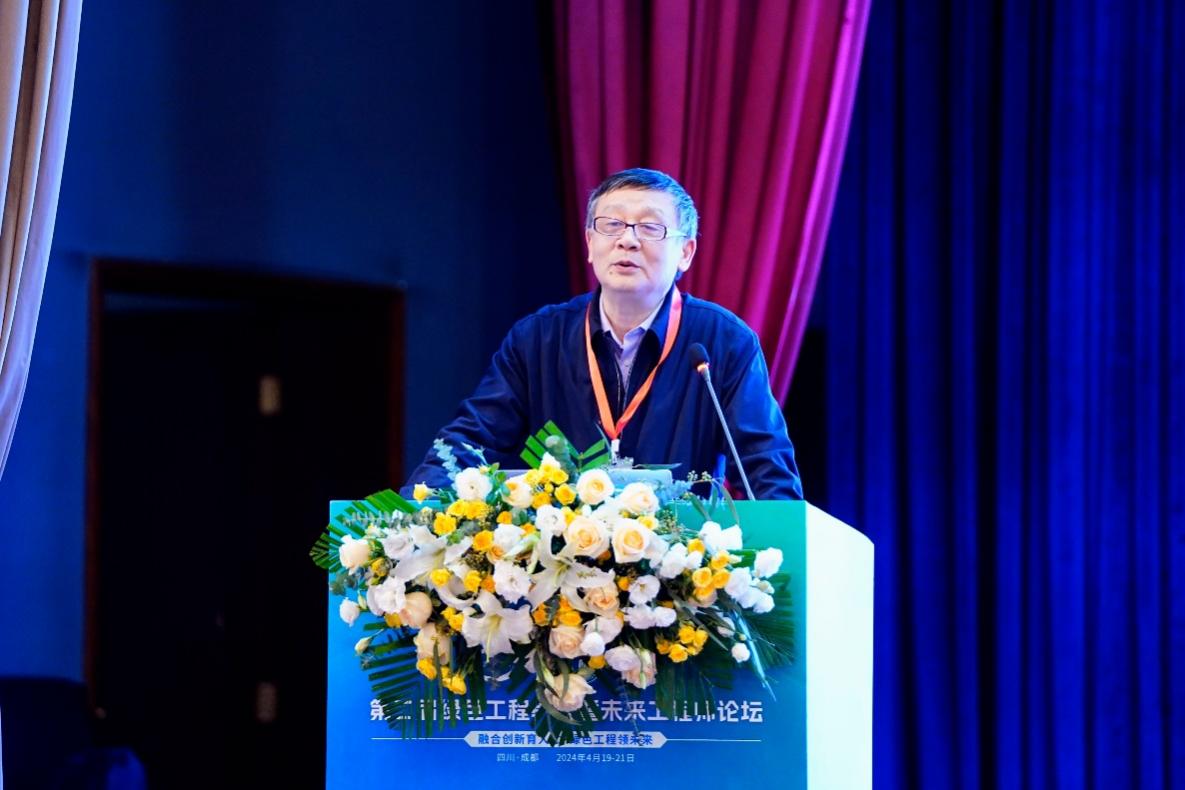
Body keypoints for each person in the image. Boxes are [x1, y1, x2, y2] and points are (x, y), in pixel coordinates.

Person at [405, 168, 802, 500]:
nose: (627, 240)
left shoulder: (724, 342)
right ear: (590, 243)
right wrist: (415, 517)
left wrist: (786, 545)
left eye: (650, 227)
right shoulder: (538, 338)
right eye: (611, 225)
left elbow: (765, 468)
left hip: (683, 558)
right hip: (559, 558)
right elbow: (469, 442)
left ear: (685, 252)